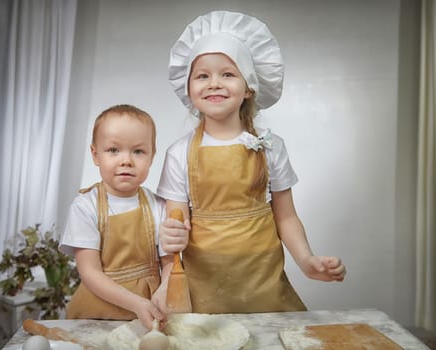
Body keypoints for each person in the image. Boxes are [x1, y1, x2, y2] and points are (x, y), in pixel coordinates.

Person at [157, 11, 346, 314]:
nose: (214, 83)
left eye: (228, 74)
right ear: (189, 88)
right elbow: (176, 223)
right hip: (204, 285)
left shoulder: (270, 147)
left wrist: (307, 261)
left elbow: (285, 217)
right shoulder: (179, 153)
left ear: (248, 89)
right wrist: (169, 240)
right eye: (202, 75)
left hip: (263, 281)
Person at [60, 104, 175, 330]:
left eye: (138, 151)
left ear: (152, 156)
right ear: (95, 155)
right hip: (97, 315)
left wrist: (165, 289)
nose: (126, 161)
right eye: (114, 150)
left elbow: (169, 261)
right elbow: (89, 272)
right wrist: (136, 303)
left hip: (148, 315)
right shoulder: (85, 206)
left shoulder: (158, 205)